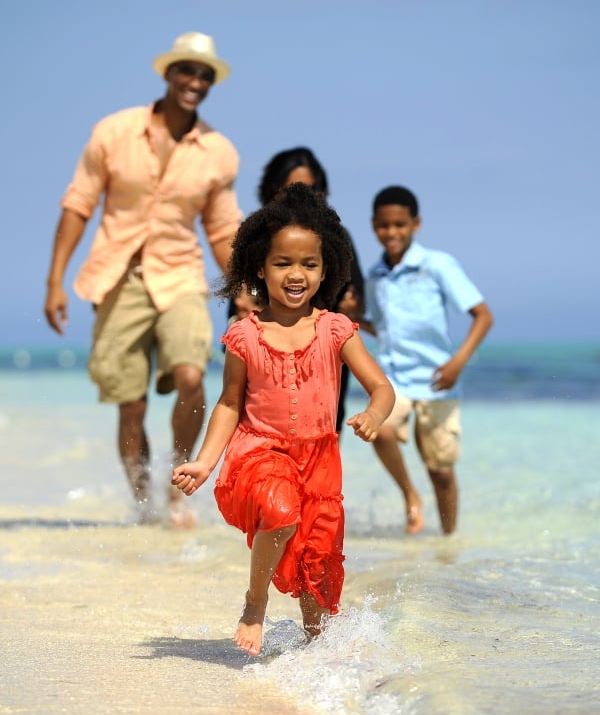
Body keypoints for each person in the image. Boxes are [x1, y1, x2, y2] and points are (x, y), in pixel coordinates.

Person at [172, 183, 394, 656]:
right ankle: (255, 605)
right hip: (261, 450)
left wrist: (374, 414)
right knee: (278, 508)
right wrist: (205, 462)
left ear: (325, 269)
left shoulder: (336, 328)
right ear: (260, 267)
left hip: (320, 459)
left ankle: (316, 668)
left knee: (318, 575)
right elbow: (230, 404)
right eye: (284, 263)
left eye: (309, 265)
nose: (297, 275)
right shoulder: (244, 335)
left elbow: (381, 387)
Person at [44, 32, 243, 527]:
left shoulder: (218, 152)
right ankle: (143, 506)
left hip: (181, 276)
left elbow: (221, 230)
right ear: (168, 73)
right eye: (187, 71)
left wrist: (243, 291)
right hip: (118, 278)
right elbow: (78, 204)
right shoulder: (114, 131)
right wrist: (55, 281)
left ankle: (178, 482)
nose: (195, 82)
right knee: (130, 406)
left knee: (192, 378)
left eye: (205, 76)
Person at [362, 186, 493, 535]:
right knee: (379, 429)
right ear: (374, 225)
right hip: (393, 380)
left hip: (437, 381)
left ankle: (448, 545)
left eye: (400, 224)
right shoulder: (375, 277)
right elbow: (385, 329)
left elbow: (482, 315)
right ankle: (410, 496)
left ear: (416, 224)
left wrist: (457, 363)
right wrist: (356, 319)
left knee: (441, 472)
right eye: (384, 225)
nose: (392, 233)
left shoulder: (437, 265)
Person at [228, 147, 365, 433]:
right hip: (263, 348)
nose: (296, 273)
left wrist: (344, 318)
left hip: (323, 349)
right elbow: (228, 404)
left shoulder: (328, 239)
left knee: (327, 424)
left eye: (311, 189)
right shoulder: (261, 237)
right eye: (290, 187)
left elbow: (355, 294)